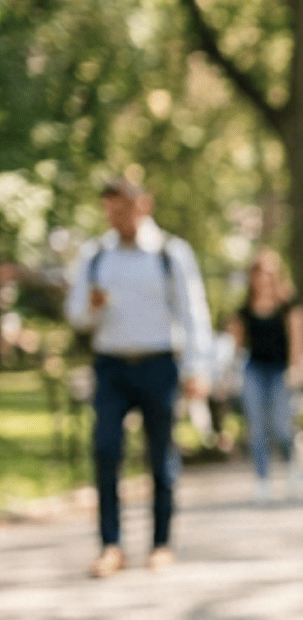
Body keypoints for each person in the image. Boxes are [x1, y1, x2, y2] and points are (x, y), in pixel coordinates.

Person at [63, 177, 214, 578]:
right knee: (106, 450)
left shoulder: (170, 253)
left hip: (158, 363)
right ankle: (111, 545)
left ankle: (161, 543)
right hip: (110, 365)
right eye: (109, 211)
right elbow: (76, 313)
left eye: (123, 209)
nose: (116, 218)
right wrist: (90, 308)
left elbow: (193, 312)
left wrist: (198, 367)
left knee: (161, 456)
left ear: (142, 205)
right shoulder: (95, 255)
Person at [226, 249, 303, 502]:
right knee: (257, 426)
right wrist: (230, 373)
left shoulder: (289, 307)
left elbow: (297, 342)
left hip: (280, 369)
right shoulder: (244, 311)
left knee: (281, 425)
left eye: (269, 273)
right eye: (259, 273)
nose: (264, 279)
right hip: (254, 369)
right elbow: (236, 346)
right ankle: (262, 479)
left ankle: (291, 464)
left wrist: (295, 370)